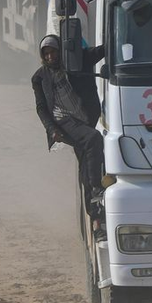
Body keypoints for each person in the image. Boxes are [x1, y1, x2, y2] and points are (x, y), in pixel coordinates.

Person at [31, 34, 106, 213]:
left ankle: (94, 217)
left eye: (53, 52)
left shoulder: (78, 60)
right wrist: (52, 130)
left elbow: (103, 50)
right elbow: (41, 108)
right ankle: (96, 187)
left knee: (87, 164)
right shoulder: (39, 78)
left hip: (84, 119)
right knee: (93, 139)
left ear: (61, 51)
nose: (50, 57)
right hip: (63, 123)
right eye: (46, 54)